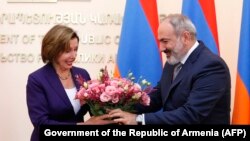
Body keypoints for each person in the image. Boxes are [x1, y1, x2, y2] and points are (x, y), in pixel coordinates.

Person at [109, 14, 231, 125]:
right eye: (160, 41)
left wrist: (138, 119)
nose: (161, 48)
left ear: (185, 37)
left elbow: (191, 114)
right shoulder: (173, 60)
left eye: (165, 41)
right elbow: (157, 97)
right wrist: (119, 108)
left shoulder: (211, 66)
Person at [26, 24, 114, 141]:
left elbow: (95, 111)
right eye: (67, 51)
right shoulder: (37, 79)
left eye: (75, 49)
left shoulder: (82, 74)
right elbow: (41, 124)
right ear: (53, 51)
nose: (73, 56)